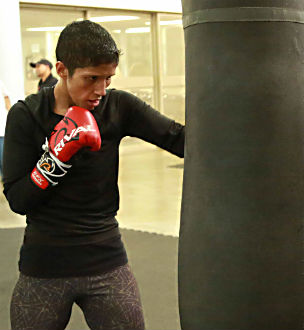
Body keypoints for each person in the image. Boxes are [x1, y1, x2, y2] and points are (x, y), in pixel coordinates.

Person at [3, 20, 184, 329]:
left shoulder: (119, 107)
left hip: (105, 258)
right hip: (44, 262)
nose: (101, 90)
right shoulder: (26, 115)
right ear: (62, 69)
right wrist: (56, 158)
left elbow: (177, 139)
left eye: (107, 78)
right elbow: (18, 200)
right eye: (91, 78)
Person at [0, 79, 10, 177]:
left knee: (3, 156)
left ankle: (5, 176)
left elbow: (6, 97)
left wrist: (10, 112)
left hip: (1, 127)